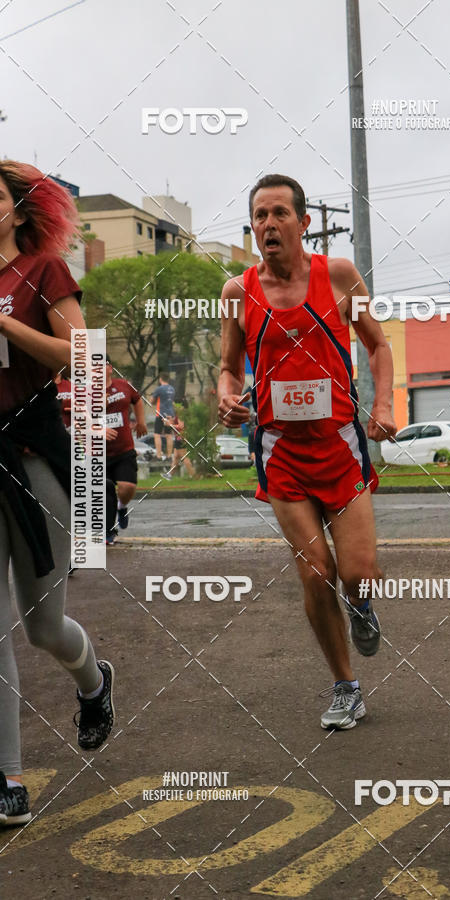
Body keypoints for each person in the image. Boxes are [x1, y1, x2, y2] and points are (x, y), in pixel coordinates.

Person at [218, 174, 396, 730]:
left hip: (340, 446)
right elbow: (227, 366)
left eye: (278, 213)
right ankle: (346, 686)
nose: (268, 224)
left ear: (304, 222)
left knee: (358, 573)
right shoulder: (236, 292)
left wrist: (383, 405)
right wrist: (226, 395)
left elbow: (379, 344)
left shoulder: (339, 276)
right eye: (258, 216)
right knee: (316, 572)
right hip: (280, 452)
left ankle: (362, 606)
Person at [0, 160, 114, 826]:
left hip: (36, 454)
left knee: (44, 628)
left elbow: (82, 358)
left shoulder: (44, 273)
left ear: (18, 210)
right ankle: (9, 776)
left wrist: (8, 326)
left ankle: (94, 685)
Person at [105, 360, 147, 543]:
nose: (99, 368)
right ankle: (108, 530)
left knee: (127, 488)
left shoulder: (123, 385)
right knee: (105, 494)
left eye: (103, 364)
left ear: (110, 368)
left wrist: (141, 422)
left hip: (123, 449)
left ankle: (122, 507)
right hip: (98, 453)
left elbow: (137, 400)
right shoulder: (85, 391)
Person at [151, 372, 176, 460]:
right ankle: (169, 456)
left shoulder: (159, 389)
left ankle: (159, 456)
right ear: (168, 379)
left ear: (160, 379)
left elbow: (152, 401)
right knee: (169, 435)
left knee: (157, 434)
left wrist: (154, 399)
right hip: (170, 415)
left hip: (161, 414)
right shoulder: (172, 389)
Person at [166, 406, 194, 478]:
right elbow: (176, 424)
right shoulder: (177, 416)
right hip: (178, 438)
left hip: (181, 438)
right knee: (176, 457)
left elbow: (181, 426)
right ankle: (170, 475)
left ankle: (193, 475)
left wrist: (170, 425)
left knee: (184, 457)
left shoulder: (180, 415)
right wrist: (170, 420)